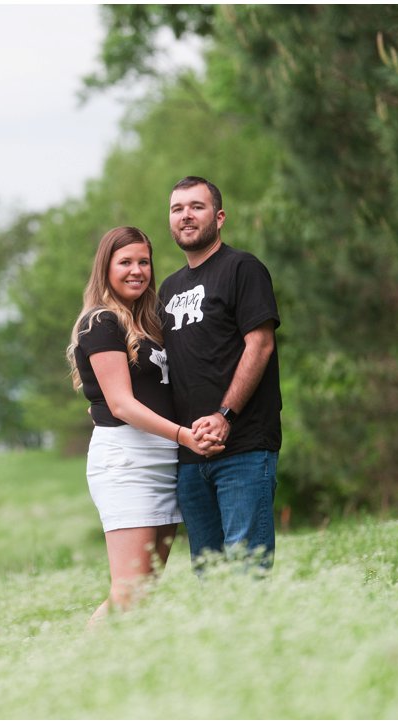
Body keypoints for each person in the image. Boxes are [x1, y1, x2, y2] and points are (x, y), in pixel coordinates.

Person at [67, 226, 221, 624]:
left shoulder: (149, 324)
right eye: (125, 263)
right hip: (127, 462)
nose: (137, 271)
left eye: (144, 262)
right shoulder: (100, 322)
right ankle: (78, 670)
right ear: (106, 268)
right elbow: (120, 404)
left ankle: (117, 675)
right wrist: (184, 435)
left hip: (163, 461)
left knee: (144, 592)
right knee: (129, 592)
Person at [159, 176, 282, 571]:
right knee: (208, 574)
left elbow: (260, 344)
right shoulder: (168, 288)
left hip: (243, 447)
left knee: (246, 569)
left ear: (220, 216)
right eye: (177, 209)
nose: (186, 216)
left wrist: (224, 415)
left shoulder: (242, 268)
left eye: (197, 206)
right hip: (191, 455)